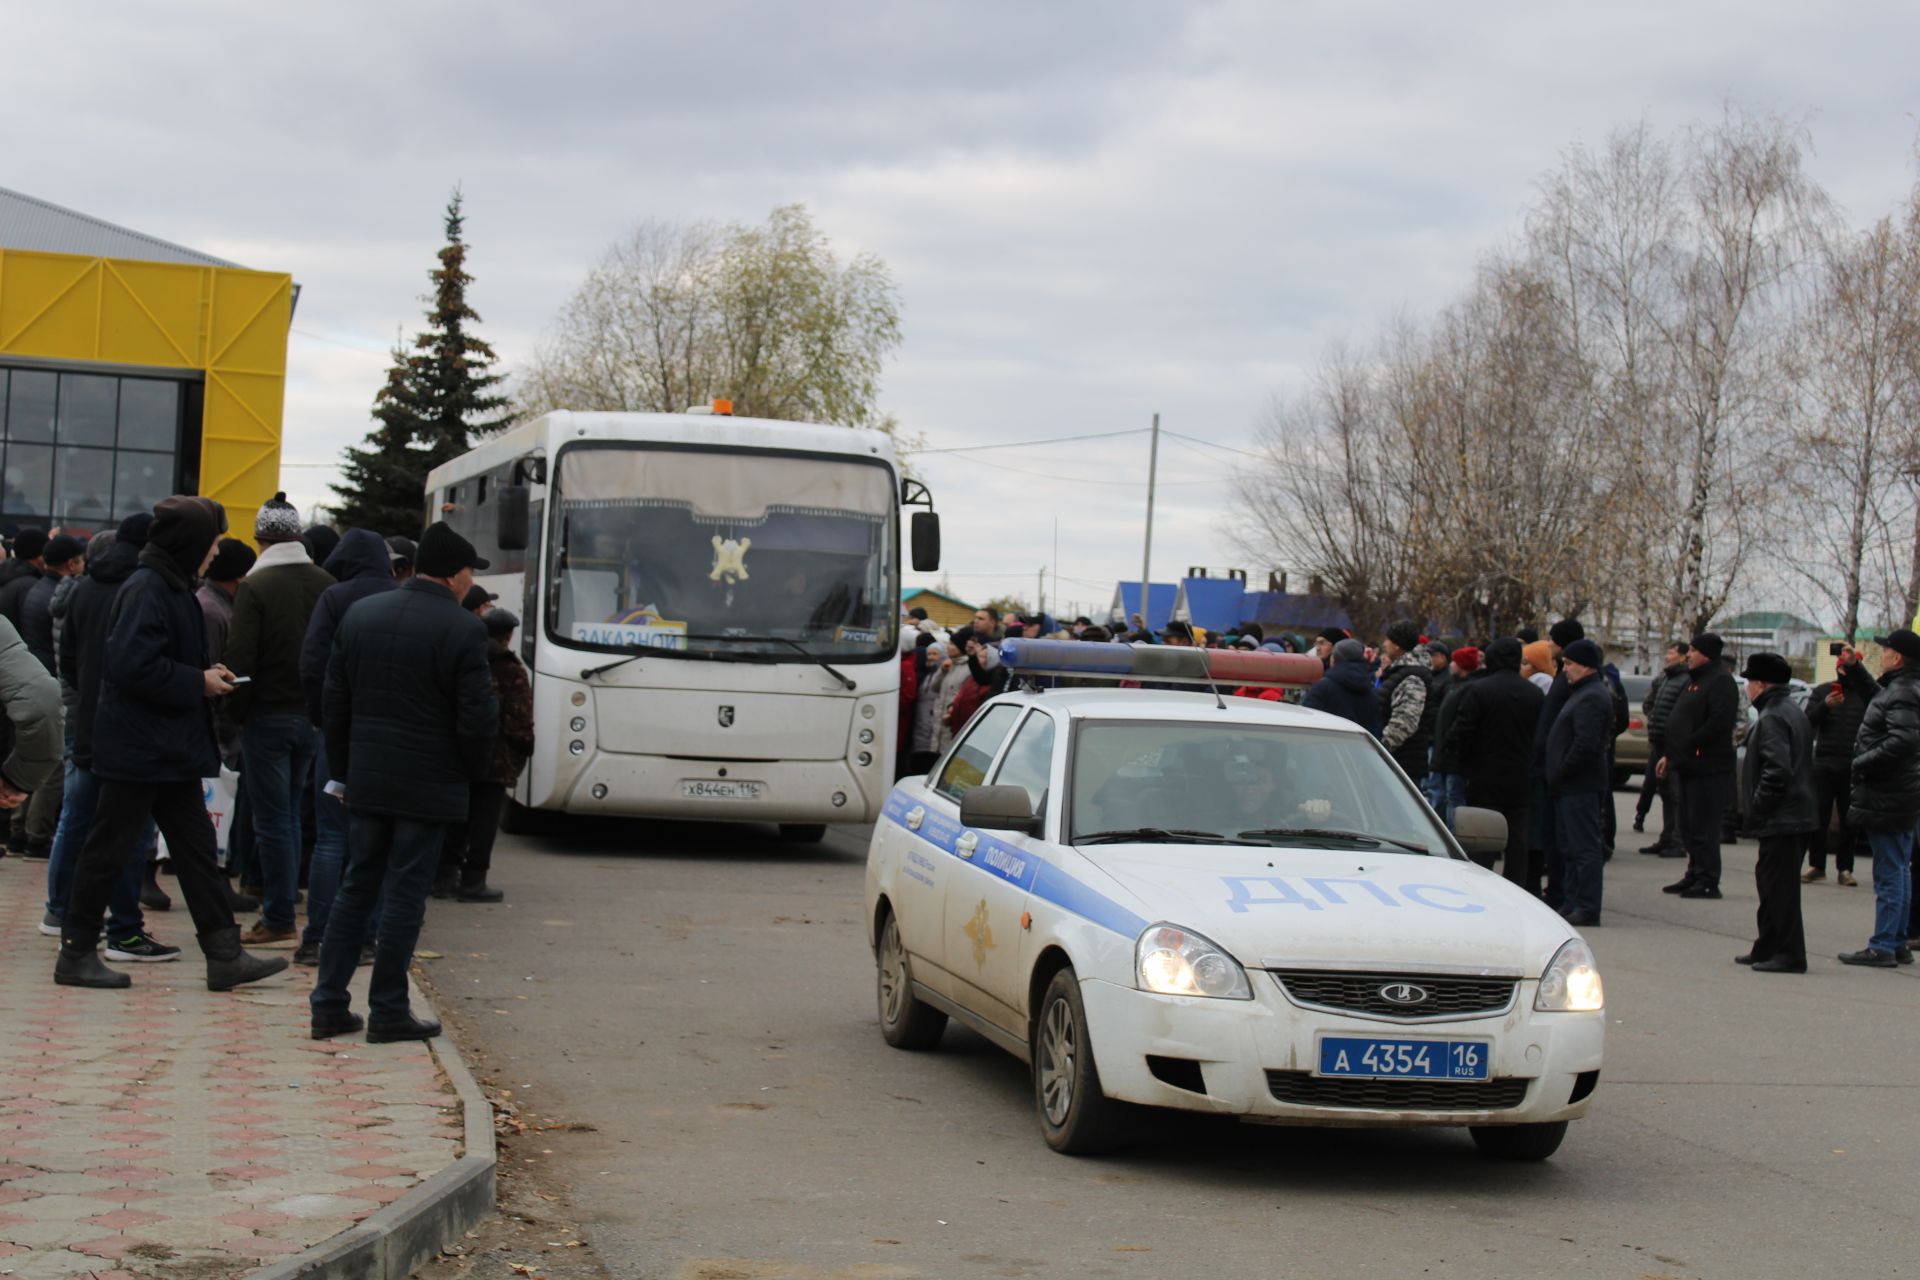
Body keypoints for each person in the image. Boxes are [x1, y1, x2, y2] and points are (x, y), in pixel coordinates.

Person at [53, 496, 287, 992]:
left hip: (164, 749)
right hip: (141, 748)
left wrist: (204, 676)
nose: (216, 551)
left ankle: (224, 955)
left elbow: (155, 661)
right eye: (213, 542)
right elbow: (132, 667)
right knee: (107, 850)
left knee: (197, 852)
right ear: (191, 544)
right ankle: (75, 953)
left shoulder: (171, 585)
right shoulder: (148, 588)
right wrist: (197, 681)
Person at [312, 522, 499, 1040]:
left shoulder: (361, 613)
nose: (469, 582)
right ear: (455, 574)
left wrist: (345, 770)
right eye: (468, 573)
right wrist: (470, 774)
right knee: (404, 896)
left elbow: (335, 700)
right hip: (428, 785)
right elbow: (478, 718)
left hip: (367, 779)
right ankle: (389, 1009)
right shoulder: (463, 629)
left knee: (357, 886)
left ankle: (328, 1004)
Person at [43, 514, 179, 958]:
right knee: (128, 829)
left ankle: (59, 910)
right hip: (127, 730)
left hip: (85, 722)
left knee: (77, 818)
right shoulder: (144, 591)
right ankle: (124, 928)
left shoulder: (84, 588)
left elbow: (69, 662)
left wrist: (83, 702)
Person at [223, 492, 336, 947]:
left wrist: (233, 714)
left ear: (259, 539)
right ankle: (285, 905)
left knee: (272, 820)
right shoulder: (326, 581)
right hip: (312, 718)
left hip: (268, 715)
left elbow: (240, 657)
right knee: (291, 814)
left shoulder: (255, 587)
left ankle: (278, 914)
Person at [293, 528, 399, 965]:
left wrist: (321, 719)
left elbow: (312, 664)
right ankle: (368, 939)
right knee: (375, 843)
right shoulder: (399, 599)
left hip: (337, 734)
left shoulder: (334, 599)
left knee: (331, 839)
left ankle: (318, 937)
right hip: (388, 739)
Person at [436, 608, 531, 904]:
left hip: (459, 753)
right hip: (495, 758)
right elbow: (519, 719)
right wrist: (525, 746)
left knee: (457, 817)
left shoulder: (462, 659)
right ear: (508, 635)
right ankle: (473, 882)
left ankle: (444, 879)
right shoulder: (511, 669)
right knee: (484, 821)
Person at [1837, 631, 1920, 968]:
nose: (1881, 654)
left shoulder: (1903, 691)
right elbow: (1878, 698)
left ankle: (1884, 944)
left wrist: (1860, 762)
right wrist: (1856, 669)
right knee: (1898, 869)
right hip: (1896, 794)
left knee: (1890, 871)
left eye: (1885, 650)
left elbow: (1903, 740)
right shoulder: (1901, 688)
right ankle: (1896, 941)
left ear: (1897, 657)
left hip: (1887, 794)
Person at [1734, 653, 1816, 973]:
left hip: (1784, 818)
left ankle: (1789, 953)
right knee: (1770, 885)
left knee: (1779, 889)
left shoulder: (1773, 717)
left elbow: (1777, 771)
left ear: (1760, 685)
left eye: (1749, 683)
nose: (1747, 689)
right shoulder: (1789, 709)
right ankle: (1767, 946)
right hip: (1793, 816)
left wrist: (1758, 807)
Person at [1443, 637, 1545, 889]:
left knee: (1483, 836)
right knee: (1518, 837)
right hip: (1521, 773)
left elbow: (1463, 731)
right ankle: (1516, 885)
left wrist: (1463, 762)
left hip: (1483, 774)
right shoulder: (1534, 693)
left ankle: (1481, 886)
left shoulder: (1479, 690)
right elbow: (1540, 735)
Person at [1658, 633, 1740, 900]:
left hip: (1709, 766)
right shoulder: (1696, 681)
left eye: (1693, 650)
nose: (1688, 654)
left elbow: (1718, 723)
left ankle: (1708, 879)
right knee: (1689, 824)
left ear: (1706, 653)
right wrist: (1671, 753)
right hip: (1688, 764)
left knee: (1704, 825)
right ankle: (1694, 872)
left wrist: (1689, 744)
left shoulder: (1721, 681)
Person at [1544, 639, 1614, 926]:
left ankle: (1586, 906)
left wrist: (1562, 770)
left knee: (1583, 848)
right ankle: (1572, 902)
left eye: (1570, 664)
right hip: (1569, 785)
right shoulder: (1582, 693)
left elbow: (1586, 743)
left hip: (1579, 785)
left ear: (1585, 666)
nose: (1565, 670)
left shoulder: (1593, 697)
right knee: (1569, 848)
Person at [1803, 654, 1868, 885]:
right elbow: (1807, 720)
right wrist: (1825, 706)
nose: (1843, 672)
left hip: (1853, 766)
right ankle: (1816, 865)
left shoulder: (1864, 694)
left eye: (1847, 667)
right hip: (1823, 764)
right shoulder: (1823, 692)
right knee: (1818, 817)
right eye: (1840, 668)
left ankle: (1845, 868)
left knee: (1849, 821)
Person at [1636, 642, 1690, 856]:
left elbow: (1682, 715)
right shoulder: (1667, 678)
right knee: (1665, 792)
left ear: (1683, 657)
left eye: (1671, 652)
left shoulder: (1685, 680)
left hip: (1673, 746)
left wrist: (1670, 735)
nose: (1667, 656)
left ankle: (1677, 840)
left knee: (1675, 794)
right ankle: (1667, 837)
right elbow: (1650, 704)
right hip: (1659, 742)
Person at [1425, 646, 1477, 831]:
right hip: (1444, 751)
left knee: (1452, 795)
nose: (1452, 665)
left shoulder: (1466, 688)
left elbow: (1462, 721)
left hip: (1452, 754)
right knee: (1444, 793)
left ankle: (1455, 834)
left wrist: (1447, 740)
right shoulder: (1454, 685)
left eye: (1455, 661)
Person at [1377, 621, 1430, 783]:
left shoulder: (1412, 677)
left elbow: (1405, 721)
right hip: (1398, 760)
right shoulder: (1401, 671)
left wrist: (1379, 748)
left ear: (1398, 646)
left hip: (1401, 762)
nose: (1385, 644)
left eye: (1388, 640)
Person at [1302, 638, 1382, 737]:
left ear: (1334, 660)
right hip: (1359, 750)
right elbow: (1375, 732)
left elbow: (1305, 724)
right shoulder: (1372, 693)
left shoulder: (1322, 688)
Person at [943, 635, 1007, 736]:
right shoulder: (973, 677)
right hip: (958, 731)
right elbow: (960, 696)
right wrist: (952, 709)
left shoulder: (994, 681)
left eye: (983, 657)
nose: (979, 659)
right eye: (979, 655)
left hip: (975, 733)